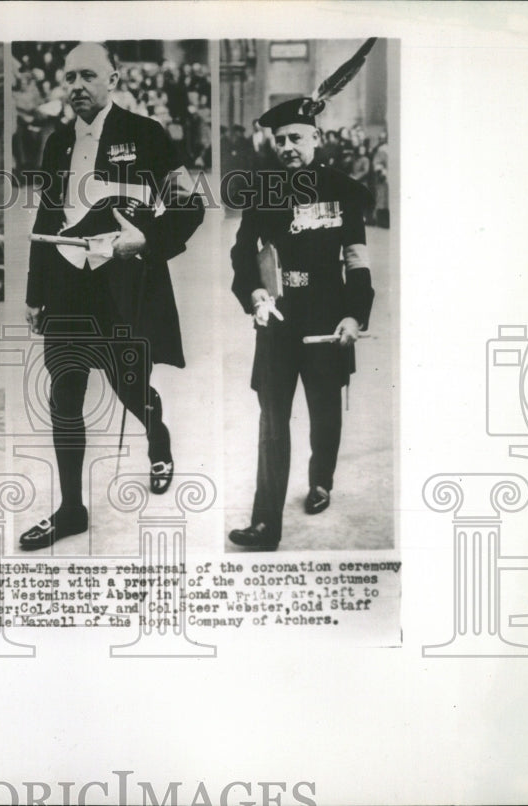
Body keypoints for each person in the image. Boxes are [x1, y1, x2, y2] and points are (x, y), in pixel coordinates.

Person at [19, 42, 205, 551]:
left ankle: (158, 439)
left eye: (88, 76)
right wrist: (35, 292)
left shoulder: (147, 135)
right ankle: (73, 508)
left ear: (113, 79)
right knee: (65, 393)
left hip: (121, 286)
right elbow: (45, 219)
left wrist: (147, 240)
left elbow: (189, 207)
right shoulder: (56, 143)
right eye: (68, 77)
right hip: (65, 288)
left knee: (131, 389)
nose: (76, 86)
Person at [227, 96, 375, 551]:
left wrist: (355, 313)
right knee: (272, 420)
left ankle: (321, 482)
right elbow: (242, 251)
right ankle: (265, 523)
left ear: (316, 138)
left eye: (295, 138)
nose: (287, 147)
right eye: (279, 140)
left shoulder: (344, 190)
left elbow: (356, 259)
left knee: (324, 411)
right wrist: (253, 293)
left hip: (328, 321)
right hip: (278, 318)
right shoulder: (261, 189)